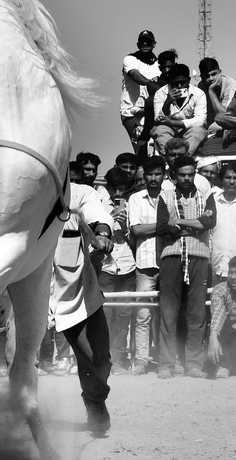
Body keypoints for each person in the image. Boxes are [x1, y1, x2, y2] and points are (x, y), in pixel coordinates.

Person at [50, 182, 114, 430]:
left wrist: (103, 234)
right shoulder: (24, 191)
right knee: (18, 358)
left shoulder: (79, 193)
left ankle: (95, 401)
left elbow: (99, 216)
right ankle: (14, 419)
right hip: (31, 290)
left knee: (99, 360)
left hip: (76, 292)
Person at [156, 155, 216, 378]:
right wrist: (194, 225)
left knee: (196, 312)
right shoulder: (166, 196)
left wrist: (179, 223)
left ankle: (193, 364)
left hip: (198, 256)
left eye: (191, 174)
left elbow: (208, 222)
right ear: (174, 175)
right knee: (169, 312)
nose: (187, 178)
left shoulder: (205, 195)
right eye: (182, 174)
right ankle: (167, 364)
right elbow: (162, 227)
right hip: (172, 255)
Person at [127, 156, 166, 375]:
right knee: (142, 314)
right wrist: (163, 226)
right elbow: (137, 231)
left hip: (168, 260)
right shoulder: (135, 198)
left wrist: (156, 227)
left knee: (165, 315)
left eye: (157, 174)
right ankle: (141, 360)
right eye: (149, 174)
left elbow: (175, 227)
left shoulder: (170, 196)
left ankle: (163, 359)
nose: (153, 178)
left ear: (164, 175)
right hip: (144, 263)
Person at [96, 168, 135, 373]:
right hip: (107, 266)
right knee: (106, 315)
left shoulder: (131, 205)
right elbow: (95, 238)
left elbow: (136, 239)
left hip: (128, 265)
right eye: (115, 189)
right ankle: (104, 359)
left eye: (122, 189)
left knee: (123, 315)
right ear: (108, 188)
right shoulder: (99, 207)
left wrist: (127, 227)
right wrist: (109, 221)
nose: (118, 194)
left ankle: (118, 359)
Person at [151, 63, 207, 155]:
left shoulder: (198, 93)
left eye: (183, 82)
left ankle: (185, 157)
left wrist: (173, 123)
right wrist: (167, 102)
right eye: (175, 83)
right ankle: (169, 157)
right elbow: (158, 119)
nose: (180, 86)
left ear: (189, 80)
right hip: (168, 128)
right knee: (160, 131)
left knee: (198, 132)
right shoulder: (160, 93)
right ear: (169, 81)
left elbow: (200, 120)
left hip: (189, 128)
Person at [120, 30, 160, 148]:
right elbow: (135, 75)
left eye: (148, 42)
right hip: (133, 113)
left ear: (154, 44)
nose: (145, 44)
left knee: (155, 150)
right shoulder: (130, 59)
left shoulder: (159, 64)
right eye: (142, 42)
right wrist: (152, 84)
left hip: (153, 112)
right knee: (141, 149)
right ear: (138, 45)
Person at [198, 57, 236, 130]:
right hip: (208, 123)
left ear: (220, 72)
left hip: (228, 122)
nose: (211, 79)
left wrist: (211, 91)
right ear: (201, 77)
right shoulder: (201, 86)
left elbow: (224, 115)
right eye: (207, 76)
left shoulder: (231, 84)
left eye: (213, 74)